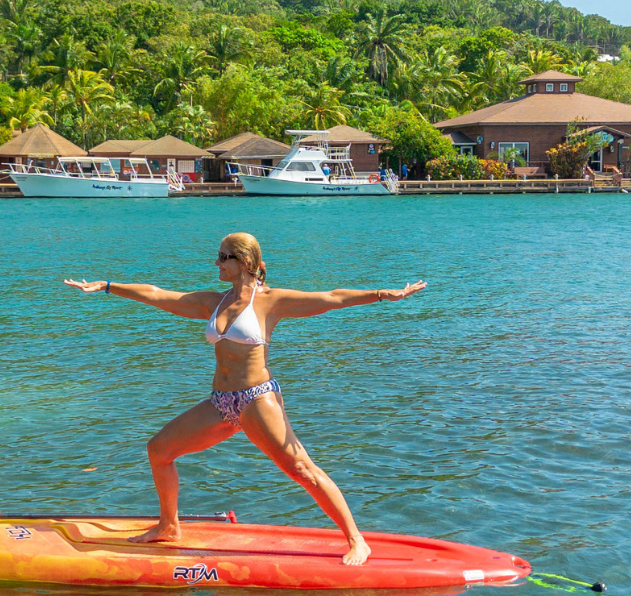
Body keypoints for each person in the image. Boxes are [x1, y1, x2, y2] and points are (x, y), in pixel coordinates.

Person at [65, 233, 425, 565]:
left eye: (223, 257)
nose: (217, 264)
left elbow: (331, 298)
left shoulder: (271, 301)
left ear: (245, 262)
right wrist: (108, 286)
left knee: (302, 470)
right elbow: (160, 295)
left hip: (257, 400)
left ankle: (356, 539)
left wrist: (382, 294)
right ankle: (168, 526)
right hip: (220, 403)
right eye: (217, 257)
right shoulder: (213, 301)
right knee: (159, 450)